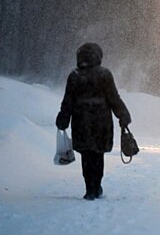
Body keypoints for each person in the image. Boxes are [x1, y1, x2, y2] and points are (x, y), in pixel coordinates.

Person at [56, 42, 131, 201]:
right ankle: (96, 186)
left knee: (86, 156)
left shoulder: (75, 76)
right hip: (101, 122)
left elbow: (68, 101)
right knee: (98, 155)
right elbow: (113, 98)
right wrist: (123, 116)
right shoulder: (105, 75)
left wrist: (63, 119)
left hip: (81, 122)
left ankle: (89, 188)